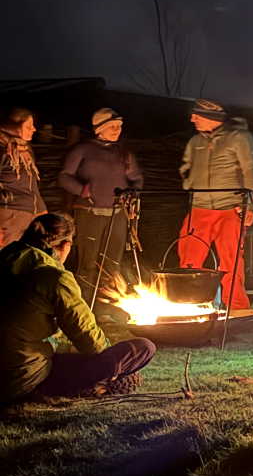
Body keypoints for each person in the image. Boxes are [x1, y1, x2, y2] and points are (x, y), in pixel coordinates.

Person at [2, 213, 154, 401]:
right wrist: (106, 352)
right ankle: (93, 385)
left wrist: (67, 348)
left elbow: (25, 329)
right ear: (66, 245)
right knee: (143, 348)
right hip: (23, 379)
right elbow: (90, 340)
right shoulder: (55, 278)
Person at [178, 99, 253, 317]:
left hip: (229, 210)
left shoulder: (239, 139)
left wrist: (248, 204)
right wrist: (191, 186)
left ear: (211, 117)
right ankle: (190, 308)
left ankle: (238, 310)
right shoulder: (195, 141)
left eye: (197, 115)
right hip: (199, 210)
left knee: (231, 263)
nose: (192, 119)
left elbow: (251, 171)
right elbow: (185, 167)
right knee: (189, 262)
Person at [56, 108, 144, 302]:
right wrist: (83, 191)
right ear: (99, 128)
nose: (117, 129)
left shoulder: (123, 153)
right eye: (112, 126)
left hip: (117, 213)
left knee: (112, 263)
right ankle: (84, 307)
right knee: (88, 263)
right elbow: (64, 176)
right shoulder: (83, 150)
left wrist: (132, 192)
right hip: (90, 212)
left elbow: (136, 178)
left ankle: (107, 308)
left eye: (119, 126)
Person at [0, 108, 46, 246]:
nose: (33, 129)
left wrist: (41, 208)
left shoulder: (23, 151)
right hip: (9, 217)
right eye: (28, 125)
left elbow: (31, 185)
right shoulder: (2, 150)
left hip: (32, 217)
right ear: (13, 125)